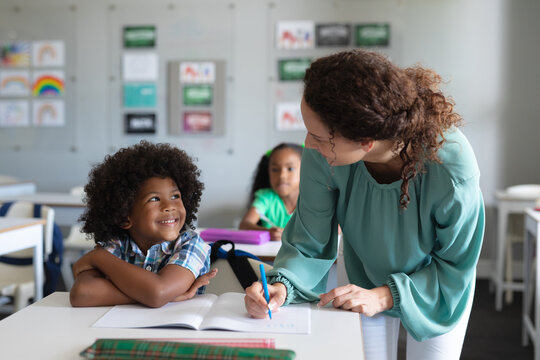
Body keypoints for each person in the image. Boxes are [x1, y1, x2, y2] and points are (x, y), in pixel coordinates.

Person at [245, 49, 484, 360]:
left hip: (437, 285)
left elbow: (455, 265)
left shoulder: (452, 167)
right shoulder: (323, 155)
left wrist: (387, 296)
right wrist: (283, 286)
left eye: (318, 136)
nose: (308, 144)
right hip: (361, 271)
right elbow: (309, 239)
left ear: (364, 142)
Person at [70, 141, 216, 308]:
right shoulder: (117, 244)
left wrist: (97, 257)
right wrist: (164, 296)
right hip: (121, 331)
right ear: (125, 217)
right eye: (154, 199)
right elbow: (83, 293)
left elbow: (159, 293)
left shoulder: (192, 245)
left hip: (179, 330)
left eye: (175, 196)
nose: (169, 206)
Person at [238, 143, 303, 241]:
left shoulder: (312, 200)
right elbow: (244, 225)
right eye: (275, 169)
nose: (282, 176)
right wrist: (267, 232)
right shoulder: (266, 198)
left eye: (290, 169)